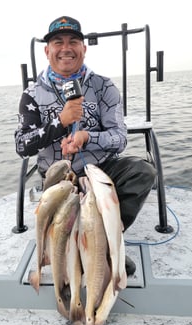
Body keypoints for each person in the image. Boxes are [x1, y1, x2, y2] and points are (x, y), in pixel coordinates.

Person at [14, 16, 156, 275]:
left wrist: (88, 137)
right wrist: (60, 122)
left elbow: (120, 138)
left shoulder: (104, 86)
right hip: (57, 178)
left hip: (99, 170)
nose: (66, 48)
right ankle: (69, 249)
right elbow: (23, 146)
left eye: (73, 42)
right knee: (61, 217)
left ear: (83, 49)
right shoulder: (31, 94)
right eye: (58, 42)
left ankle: (103, 244)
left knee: (144, 171)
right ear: (47, 51)